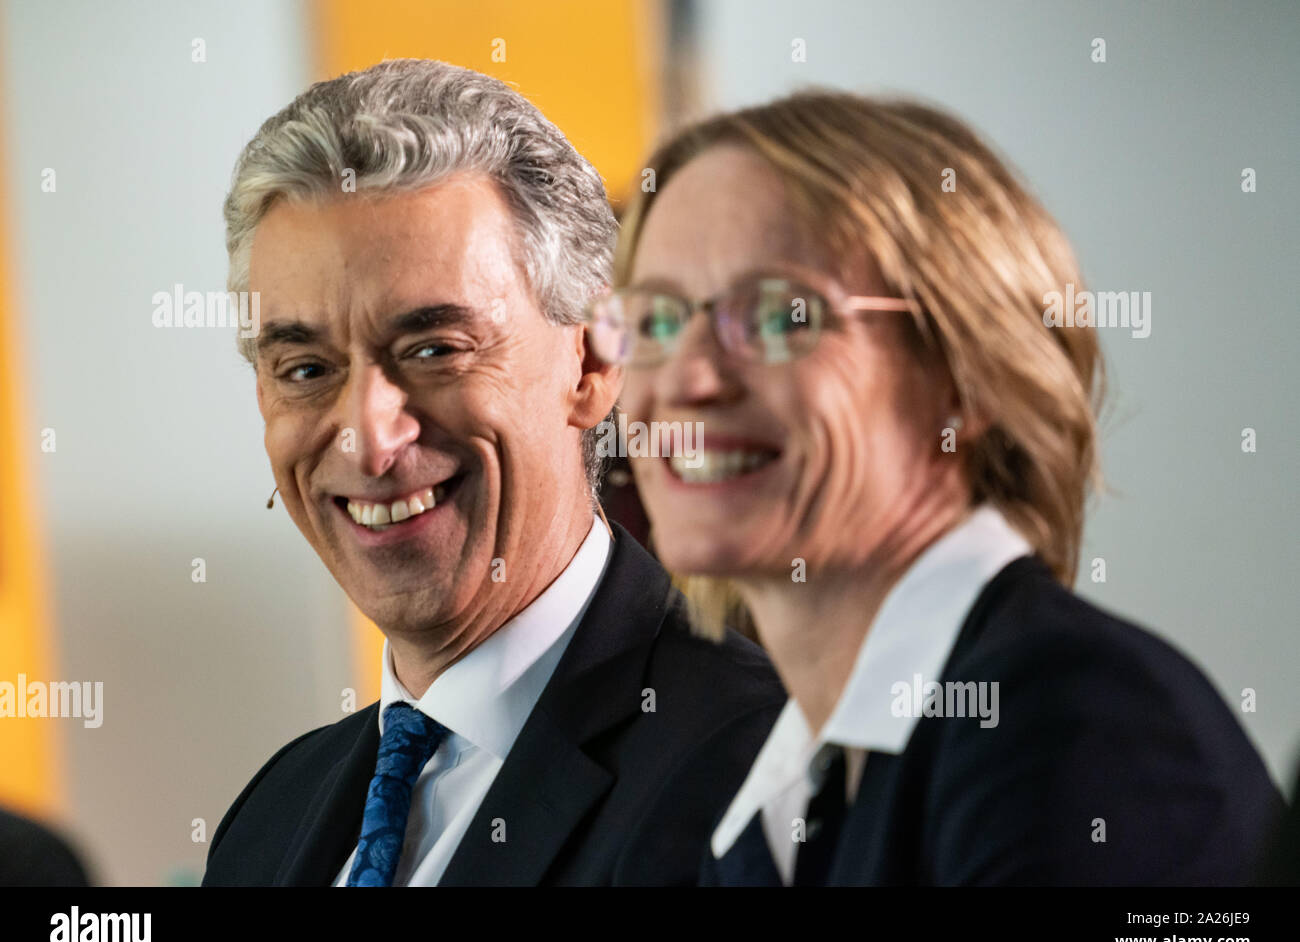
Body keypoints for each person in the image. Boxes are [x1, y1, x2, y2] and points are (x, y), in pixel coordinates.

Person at [595, 90, 1284, 884]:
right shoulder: (778, 791)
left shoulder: (1075, 726)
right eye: (654, 322)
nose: (689, 379)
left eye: (783, 317)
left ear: (969, 377)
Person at [201, 59, 783, 887]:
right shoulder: (270, 817)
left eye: (435, 350)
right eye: (304, 368)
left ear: (591, 362)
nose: (369, 440)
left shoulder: (760, 777)